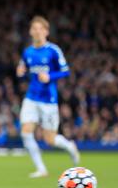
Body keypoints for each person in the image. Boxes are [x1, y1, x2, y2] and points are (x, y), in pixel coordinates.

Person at [16, 16, 80, 178]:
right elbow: (23, 67)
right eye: (34, 29)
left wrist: (50, 76)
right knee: (25, 132)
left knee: (49, 140)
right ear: (31, 32)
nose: (37, 32)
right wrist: (21, 71)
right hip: (31, 97)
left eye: (40, 29)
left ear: (46, 31)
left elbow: (66, 71)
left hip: (48, 100)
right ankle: (41, 169)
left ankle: (69, 146)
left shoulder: (53, 50)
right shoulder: (27, 52)